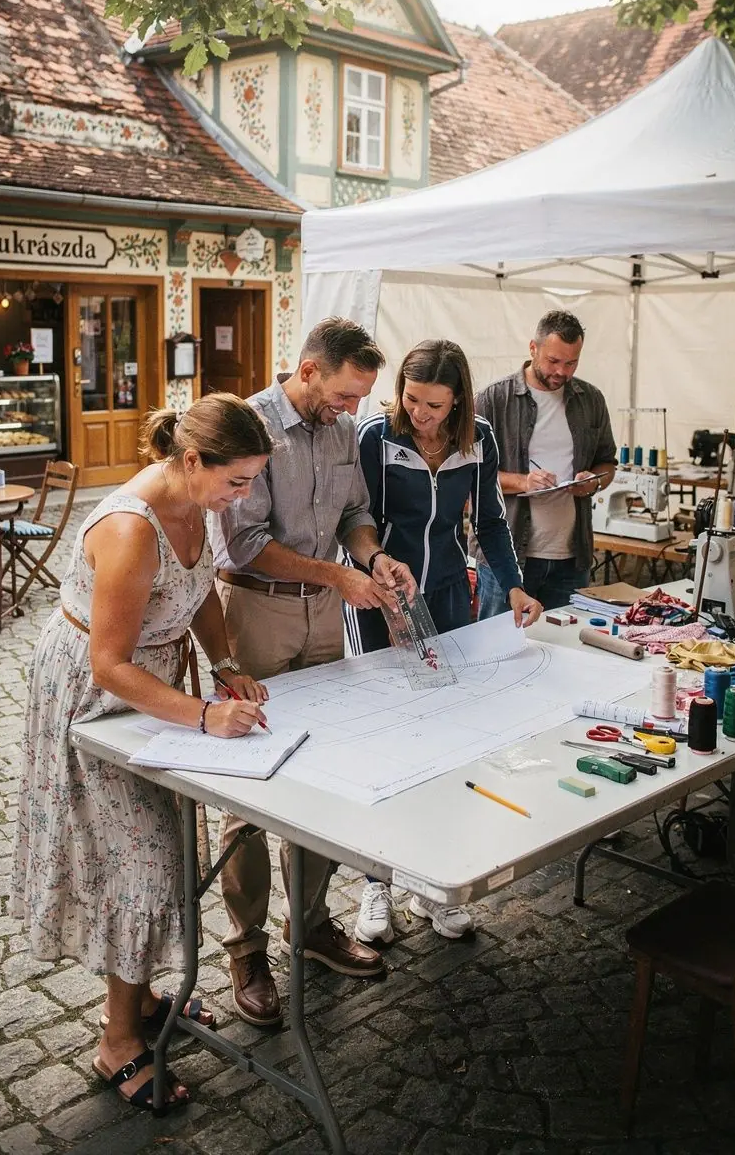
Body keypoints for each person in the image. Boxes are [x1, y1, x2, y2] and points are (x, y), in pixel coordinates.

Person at [12, 395, 274, 1112]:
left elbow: (202, 597)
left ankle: (149, 999)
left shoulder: (201, 503)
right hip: (99, 698)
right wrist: (205, 715)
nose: (244, 496)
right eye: (238, 481)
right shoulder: (130, 527)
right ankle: (117, 1043)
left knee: (161, 852)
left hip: (152, 689)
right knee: (137, 864)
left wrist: (223, 662)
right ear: (193, 461)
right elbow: (107, 663)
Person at [208, 317, 415, 1028]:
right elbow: (244, 542)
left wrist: (370, 558)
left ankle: (313, 924)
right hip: (257, 614)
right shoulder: (251, 428)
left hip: (324, 614)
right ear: (306, 369)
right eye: (344, 394)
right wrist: (336, 571)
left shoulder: (338, 427)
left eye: (361, 397)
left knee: (324, 772)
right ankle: (247, 953)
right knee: (251, 787)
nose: (353, 410)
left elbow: (355, 510)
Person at [346, 339, 542, 945]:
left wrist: (512, 586)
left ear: (458, 402)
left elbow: (487, 521)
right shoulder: (377, 438)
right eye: (411, 399)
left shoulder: (479, 438)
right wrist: (377, 570)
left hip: (453, 599)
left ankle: (437, 882)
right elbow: (361, 521)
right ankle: (375, 882)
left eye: (434, 405)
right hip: (386, 600)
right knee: (386, 738)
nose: (421, 414)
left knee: (447, 735)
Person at [475, 309, 616, 615]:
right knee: (501, 652)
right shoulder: (493, 400)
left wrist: (594, 482)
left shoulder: (591, 400)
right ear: (533, 348)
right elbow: (468, 476)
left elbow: (607, 463)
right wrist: (523, 482)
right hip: (508, 557)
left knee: (564, 653)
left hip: (571, 558)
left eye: (571, 363)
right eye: (554, 361)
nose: (562, 372)